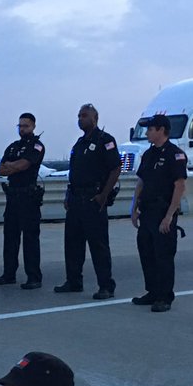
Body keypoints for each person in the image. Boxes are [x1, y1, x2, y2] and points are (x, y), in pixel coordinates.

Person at [56, 104, 121, 300]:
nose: (80, 119)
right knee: (73, 243)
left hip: (93, 199)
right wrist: (69, 194)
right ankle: (74, 281)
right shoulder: (79, 143)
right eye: (78, 116)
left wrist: (103, 194)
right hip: (76, 199)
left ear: (95, 118)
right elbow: (75, 173)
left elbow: (115, 168)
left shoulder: (105, 140)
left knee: (98, 245)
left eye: (84, 115)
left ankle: (106, 285)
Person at [130, 114, 187, 311]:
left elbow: (179, 185)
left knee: (163, 255)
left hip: (163, 211)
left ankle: (164, 296)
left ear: (161, 130)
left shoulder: (175, 154)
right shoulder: (148, 154)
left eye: (150, 129)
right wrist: (134, 208)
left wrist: (169, 215)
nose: (147, 132)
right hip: (147, 211)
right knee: (146, 251)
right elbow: (141, 182)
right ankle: (152, 291)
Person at [0, 113, 46, 289]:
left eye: (26, 126)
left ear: (33, 126)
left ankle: (34, 277)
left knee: (30, 238)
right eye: (20, 126)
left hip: (28, 197)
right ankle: (9, 274)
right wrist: (15, 166)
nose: (22, 129)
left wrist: (12, 166)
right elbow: (0, 170)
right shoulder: (13, 147)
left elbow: (25, 165)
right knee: (10, 237)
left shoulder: (37, 146)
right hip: (13, 196)